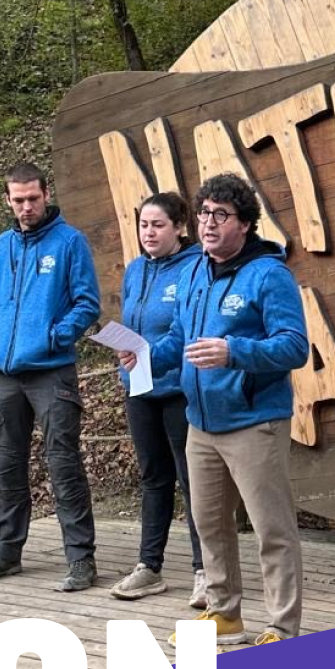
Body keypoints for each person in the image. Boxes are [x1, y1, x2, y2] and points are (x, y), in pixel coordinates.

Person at [120, 173, 308, 645]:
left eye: (220, 215)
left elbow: (294, 346)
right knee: (209, 526)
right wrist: (145, 356)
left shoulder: (269, 275)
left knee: (272, 530)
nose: (208, 223)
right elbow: (180, 339)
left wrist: (234, 352)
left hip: (254, 421)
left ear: (244, 224)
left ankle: (282, 627)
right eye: (204, 213)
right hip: (200, 423)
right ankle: (224, 614)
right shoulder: (194, 272)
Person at [0, 161, 100, 591]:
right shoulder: (1, 245)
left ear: (46, 195)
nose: (26, 207)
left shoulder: (69, 242)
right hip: (5, 374)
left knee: (63, 463)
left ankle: (80, 558)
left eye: (33, 198)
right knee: (6, 464)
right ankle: (7, 552)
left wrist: (54, 336)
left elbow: (87, 303)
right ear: (7, 201)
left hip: (51, 372)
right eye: (19, 200)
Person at [111, 194, 206, 609]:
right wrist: (124, 348)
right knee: (153, 477)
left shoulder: (195, 267)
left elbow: (189, 329)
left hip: (178, 388)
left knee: (193, 479)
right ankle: (149, 566)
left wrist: (152, 354)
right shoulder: (135, 269)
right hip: (139, 387)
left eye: (158, 225)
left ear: (180, 227)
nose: (148, 233)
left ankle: (206, 570)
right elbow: (132, 322)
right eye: (143, 225)